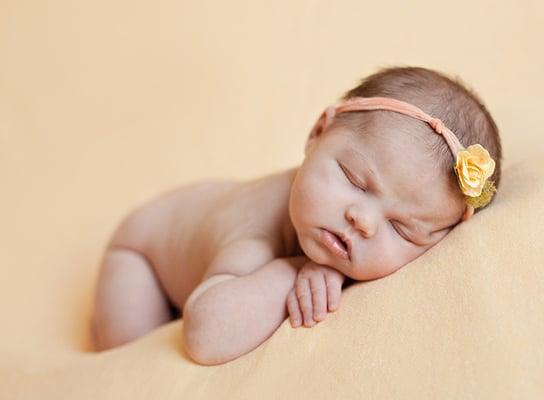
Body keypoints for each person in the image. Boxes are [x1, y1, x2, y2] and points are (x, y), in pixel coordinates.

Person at [90, 66, 503, 365]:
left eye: (402, 229)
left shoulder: (334, 217)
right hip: (145, 251)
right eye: (355, 181)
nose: (364, 221)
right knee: (133, 357)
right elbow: (205, 336)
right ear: (317, 133)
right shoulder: (256, 234)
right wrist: (292, 270)